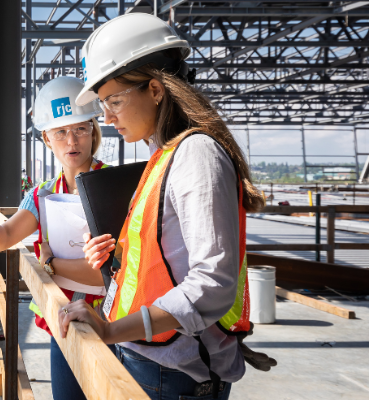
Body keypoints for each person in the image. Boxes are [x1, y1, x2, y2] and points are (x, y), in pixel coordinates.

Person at [57, 13, 276, 400]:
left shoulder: (196, 154)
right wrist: (116, 254)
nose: (106, 118)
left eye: (114, 101)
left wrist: (111, 330)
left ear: (155, 89)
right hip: (152, 359)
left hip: (174, 374)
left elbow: (211, 284)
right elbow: (166, 258)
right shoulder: (166, 155)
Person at [0, 76, 114, 400]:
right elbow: (5, 235)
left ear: (93, 129)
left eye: (79, 128)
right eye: (61, 132)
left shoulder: (116, 188)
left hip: (111, 322)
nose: (71, 140)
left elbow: (108, 272)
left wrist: (50, 262)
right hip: (64, 323)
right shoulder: (43, 195)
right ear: (48, 139)